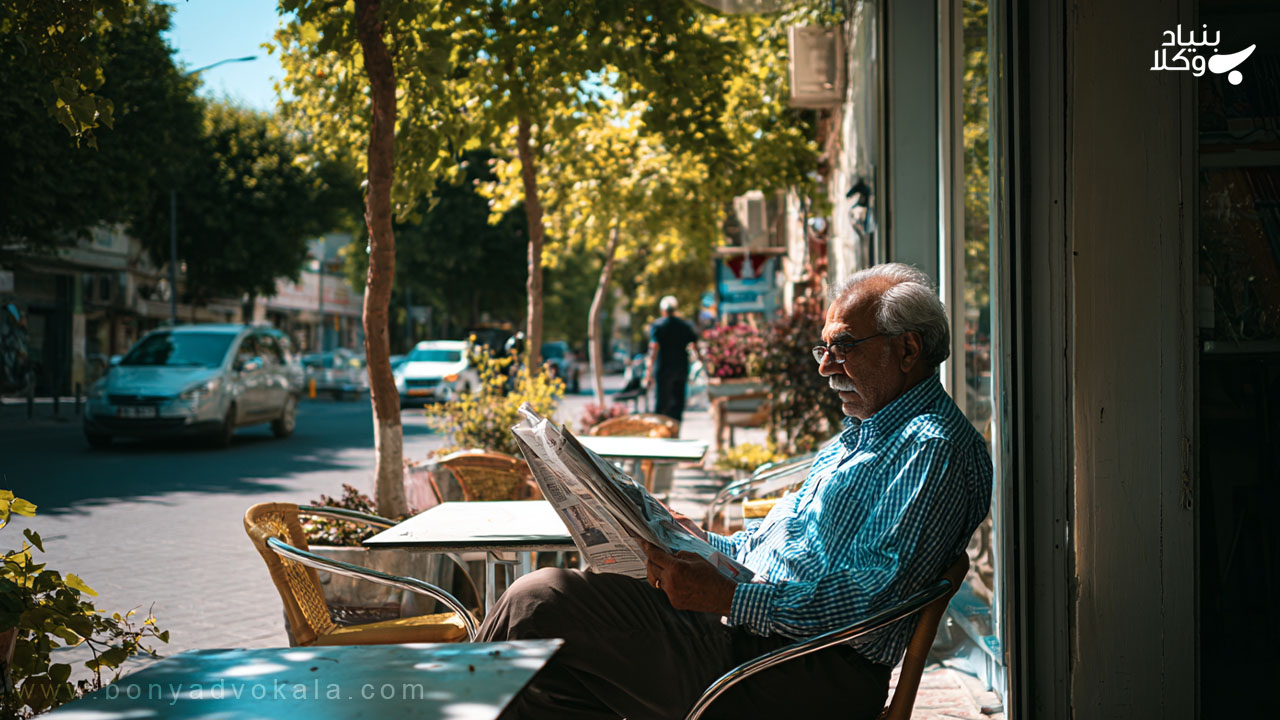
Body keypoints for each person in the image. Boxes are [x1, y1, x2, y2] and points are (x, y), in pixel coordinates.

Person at [478, 264, 993, 719]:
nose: (824, 366)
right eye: (824, 348)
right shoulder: (860, 437)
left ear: (907, 349)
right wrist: (688, 539)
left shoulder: (934, 449)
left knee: (539, 601)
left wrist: (728, 596)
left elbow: (865, 603)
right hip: (751, 640)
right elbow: (771, 550)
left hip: (797, 670)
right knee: (551, 671)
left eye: (844, 347)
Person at [644, 295, 703, 425]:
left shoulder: (658, 325)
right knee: (678, 403)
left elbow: (654, 348)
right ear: (675, 309)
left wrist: (649, 370)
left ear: (662, 310)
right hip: (681, 369)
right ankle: (675, 431)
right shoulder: (685, 325)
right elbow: (695, 345)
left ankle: (661, 431)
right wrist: (702, 362)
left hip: (663, 369)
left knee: (661, 403)